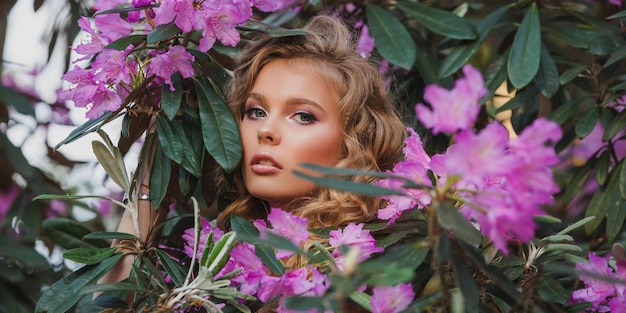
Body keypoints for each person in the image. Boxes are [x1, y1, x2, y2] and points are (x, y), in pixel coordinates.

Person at [99, 13, 407, 306]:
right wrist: (158, 166)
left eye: (302, 116)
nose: (266, 131)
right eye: (255, 112)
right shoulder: (215, 257)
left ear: (353, 143)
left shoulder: (361, 271)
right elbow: (111, 306)